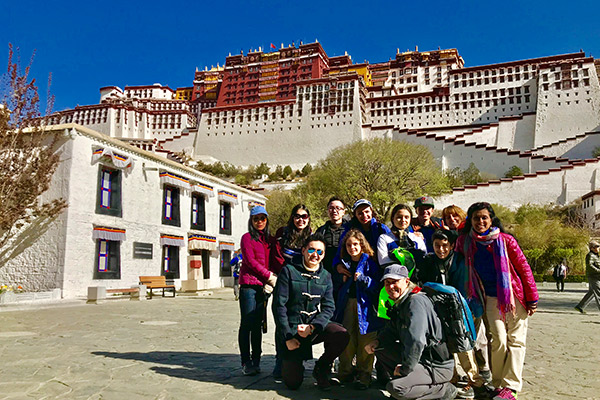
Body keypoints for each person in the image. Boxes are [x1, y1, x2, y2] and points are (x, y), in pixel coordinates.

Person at [455, 202, 538, 400]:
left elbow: (524, 268)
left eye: (484, 217)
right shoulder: (465, 242)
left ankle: (511, 386)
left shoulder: (506, 240)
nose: (480, 221)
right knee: (498, 340)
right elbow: (456, 267)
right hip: (490, 298)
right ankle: (499, 383)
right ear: (470, 220)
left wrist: (532, 297)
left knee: (516, 341)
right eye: (476, 218)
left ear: (492, 219)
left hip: (513, 296)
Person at [365, 264, 457, 400]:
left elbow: (417, 340)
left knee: (395, 388)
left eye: (395, 282)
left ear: (407, 281)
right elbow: (392, 329)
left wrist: (405, 369)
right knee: (380, 348)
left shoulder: (415, 302)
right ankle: (412, 385)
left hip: (436, 365)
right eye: (387, 283)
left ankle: (443, 390)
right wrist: (377, 342)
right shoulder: (402, 301)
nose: (390, 287)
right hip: (423, 360)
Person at [272, 233, 350, 391]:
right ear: (303, 250)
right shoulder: (288, 271)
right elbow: (279, 307)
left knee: (341, 334)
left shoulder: (326, 276)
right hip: (292, 330)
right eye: (311, 250)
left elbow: (329, 307)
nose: (315, 255)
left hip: (313, 328)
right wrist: (287, 336)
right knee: (293, 383)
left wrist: (314, 326)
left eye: (320, 251)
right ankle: (291, 361)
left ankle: (321, 367)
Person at [416, 230, 485, 399]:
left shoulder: (460, 262)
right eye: (437, 246)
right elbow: (422, 283)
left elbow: (462, 289)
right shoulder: (428, 261)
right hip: (437, 311)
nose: (441, 249)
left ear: (452, 246)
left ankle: (476, 382)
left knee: (464, 347)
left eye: (445, 246)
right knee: (445, 348)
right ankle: (452, 380)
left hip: (458, 310)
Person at [333, 229, 382, 389]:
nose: (352, 247)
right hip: (347, 304)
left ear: (362, 245)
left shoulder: (370, 262)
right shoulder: (343, 263)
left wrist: (363, 279)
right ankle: (345, 372)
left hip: (366, 307)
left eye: (355, 244)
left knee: (366, 340)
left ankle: (364, 374)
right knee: (346, 338)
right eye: (348, 245)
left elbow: (378, 286)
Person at [271, 204, 313, 379]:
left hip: (303, 282)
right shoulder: (283, 233)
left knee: (301, 319)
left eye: (304, 216)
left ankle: (298, 360)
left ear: (308, 218)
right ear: (292, 217)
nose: (300, 219)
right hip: (284, 280)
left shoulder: (311, 235)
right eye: (297, 216)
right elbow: (276, 255)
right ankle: (280, 359)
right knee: (282, 320)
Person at [238, 206, 277, 376]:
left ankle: (256, 359)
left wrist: (272, 278)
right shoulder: (247, 238)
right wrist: (269, 276)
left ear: (266, 220)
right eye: (256, 219)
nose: (259, 222)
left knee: (258, 324)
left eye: (262, 218)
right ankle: (246, 361)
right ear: (251, 221)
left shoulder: (270, 240)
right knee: (247, 322)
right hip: (249, 285)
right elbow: (250, 261)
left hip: (263, 287)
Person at [333, 199, 391, 272]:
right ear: (355, 215)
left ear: (371, 212)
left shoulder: (381, 229)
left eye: (367, 212)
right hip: (355, 269)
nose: (364, 215)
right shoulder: (349, 230)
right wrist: (337, 265)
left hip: (379, 269)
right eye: (360, 213)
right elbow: (340, 251)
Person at [316, 197, 348, 299]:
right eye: (331, 208)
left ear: (344, 212)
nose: (334, 211)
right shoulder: (321, 231)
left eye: (338, 208)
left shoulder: (351, 229)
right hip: (326, 278)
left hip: (346, 277)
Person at [377, 203, 427, 269]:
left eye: (406, 217)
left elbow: (424, 259)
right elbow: (384, 262)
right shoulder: (384, 238)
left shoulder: (417, 239)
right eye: (399, 217)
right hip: (393, 276)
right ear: (393, 219)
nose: (403, 220)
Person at [575, 240, 600, 313]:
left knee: (592, 292)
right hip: (593, 277)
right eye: (597, 246)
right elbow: (589, 265)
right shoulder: (590, 255)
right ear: (592, 248)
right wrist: (598, 270)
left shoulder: (596, 256)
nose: (598, 248)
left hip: (597, 276)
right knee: (598, 293)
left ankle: (580, 306)